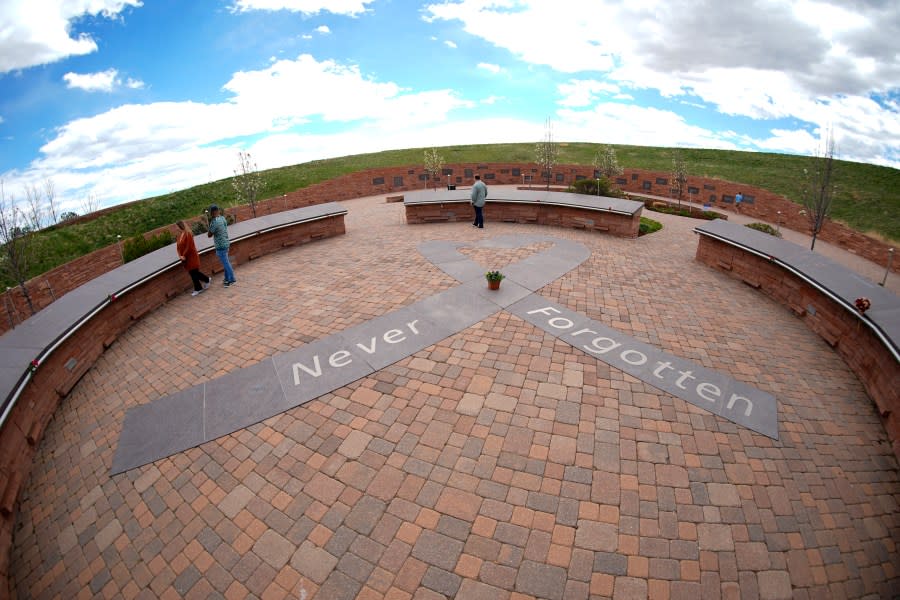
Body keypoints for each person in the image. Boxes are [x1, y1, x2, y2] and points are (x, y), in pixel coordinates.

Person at [176, 220, 210, 296]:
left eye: (176, 227)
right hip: (185, 258)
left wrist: (183, 255)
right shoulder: (179, 236)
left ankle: (203, 283)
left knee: (194, 272)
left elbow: (189, 246)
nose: (176, 228)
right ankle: (202, 285)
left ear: (180, 226)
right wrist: (180, 256)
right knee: (193, 273)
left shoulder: (188, 234)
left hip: (191, 257)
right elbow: (178, 247)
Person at [207, 205, 236, 287]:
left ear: (212, 212)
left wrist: (210, 224)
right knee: (226, 262)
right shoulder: (222, 218)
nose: (210, 214)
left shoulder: (214, 222)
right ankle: (227, 278)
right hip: (226, 243)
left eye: (210, 212)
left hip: (220, 246)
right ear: (218, 210)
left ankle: (231, 279)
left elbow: (209, 234)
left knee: (226, 263)